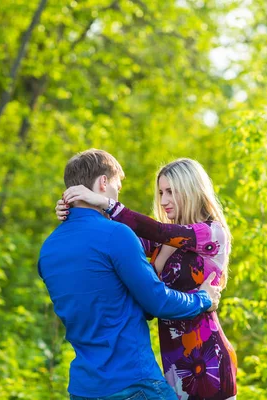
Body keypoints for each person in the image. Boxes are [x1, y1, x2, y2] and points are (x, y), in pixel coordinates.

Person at [39, 149, 223, 400]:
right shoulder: (116, 236)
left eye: (170, 192)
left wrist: (74, 212)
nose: (117, 192)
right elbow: (156, 301)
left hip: (84, 389)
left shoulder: (48, 249)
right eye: (117, 185)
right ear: (103, 183)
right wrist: (203, 298)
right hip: (133, 382)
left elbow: (154, 234)